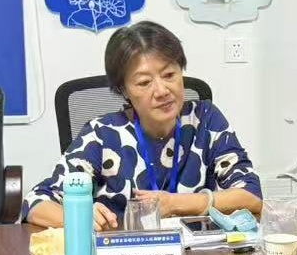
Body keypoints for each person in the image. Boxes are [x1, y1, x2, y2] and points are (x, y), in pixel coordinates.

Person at [26, 20, 263, 230]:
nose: (162, 91)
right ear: (124, 90)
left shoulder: (205, 119)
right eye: (144, 82)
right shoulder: (102, 134)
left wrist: (177, 204)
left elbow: (251, 194)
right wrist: (79, 217)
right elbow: (36, 202)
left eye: (169, 75)